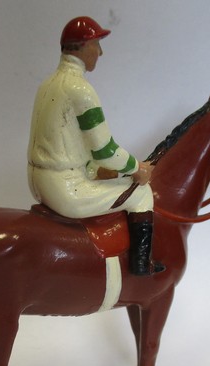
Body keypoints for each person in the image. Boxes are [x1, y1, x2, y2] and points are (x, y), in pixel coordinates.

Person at [27, 16, 164, 275]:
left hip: (38, 182)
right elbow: (104, 150)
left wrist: (95, 170)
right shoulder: (81, 89)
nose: (100, 52)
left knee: (117, 180)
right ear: (82, 46)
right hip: (64, 188)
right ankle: (141, 265)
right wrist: (138, 168)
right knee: (142, 193)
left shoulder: (46, 84)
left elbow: (69, 141)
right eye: (96, 44)